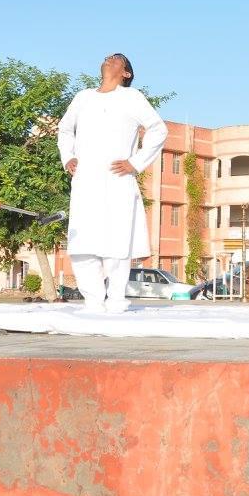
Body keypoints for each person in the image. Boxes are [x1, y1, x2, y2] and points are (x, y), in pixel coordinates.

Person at [57, 53, 167, 313]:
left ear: (126, 73)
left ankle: (116, 301)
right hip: (86, 180)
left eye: (116, 59)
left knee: (117, 240)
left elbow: (158, 129)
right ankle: (93, 302)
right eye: (107, 57)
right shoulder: (83, 97)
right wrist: (68, 157)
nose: (109, 59)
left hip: (118, 178)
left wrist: (136, 162)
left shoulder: (132, 97)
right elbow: (64, 129)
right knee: (83, 242)